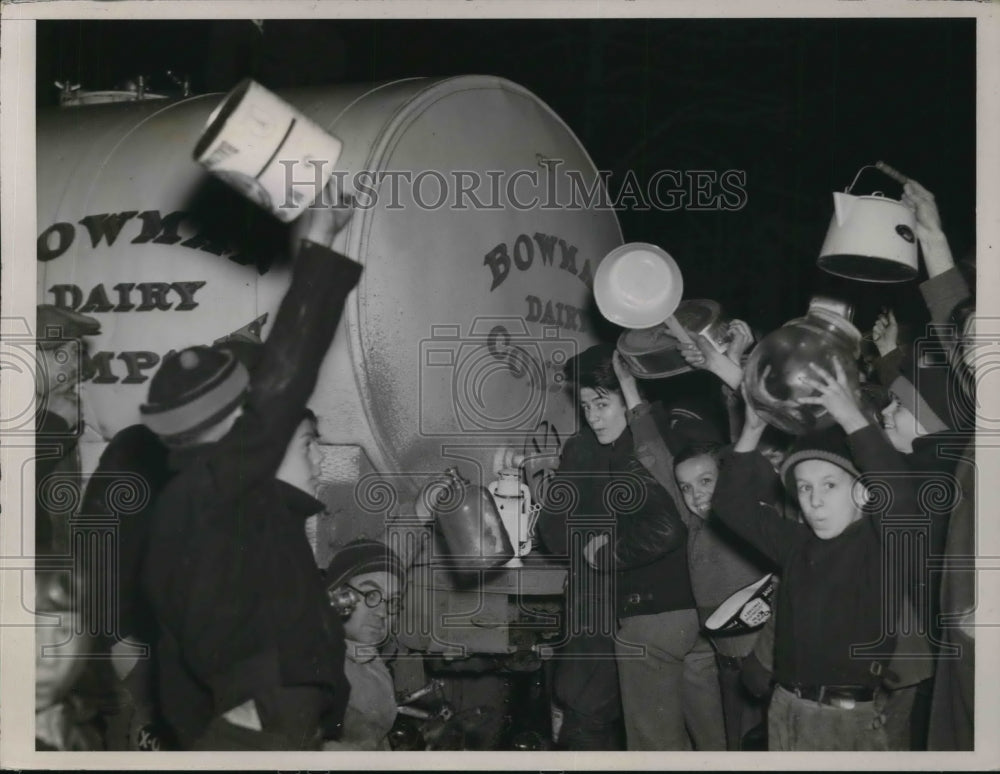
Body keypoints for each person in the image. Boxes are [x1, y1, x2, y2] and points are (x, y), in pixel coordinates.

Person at [138, 193, 360, 750]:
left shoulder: (189, 505)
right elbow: (288, 377)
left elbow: (172, 660)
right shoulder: (214, 484)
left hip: (252, 719)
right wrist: (319, 244)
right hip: (263, 718)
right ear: (231, 415)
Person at [711, 358, 919, 751]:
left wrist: (852, 418)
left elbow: (899, 496)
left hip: (846, 722)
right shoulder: (797, 543)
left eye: (829, 485)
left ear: (863, 491)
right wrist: (751, 431)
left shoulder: (880, 546)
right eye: (804, 489)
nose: (815, 501)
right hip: (785, 708)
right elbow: (731, 505)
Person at [539, 343, 725, 751]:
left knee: (669, 734)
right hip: (600, 608)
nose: (592, 416)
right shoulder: (579, 449)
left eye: (602, 404)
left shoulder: (661, 439)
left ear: (630, 394)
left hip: (661, 606)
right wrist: (593, 543)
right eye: (585, 406)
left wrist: (607, 548)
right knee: (594, 711)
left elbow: (682, 523)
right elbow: (551, 530)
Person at [672, 442, 773, 750]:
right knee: (737, 744)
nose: (696, 494)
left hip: (762, 658)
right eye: (686, 488)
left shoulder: (750, 519)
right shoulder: (694, 526)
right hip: (727, 660)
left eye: (705, 481)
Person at [321, 539, 405, 751]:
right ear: (338, 596)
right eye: (371, 595)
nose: (383, 612)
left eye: (392, 601)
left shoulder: (368, 660)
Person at [34, 305, 101, 554]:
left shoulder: (59, 412)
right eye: (59, 353)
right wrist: (53, 426)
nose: (75, 364)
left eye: (76, 351)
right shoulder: (53, 420)